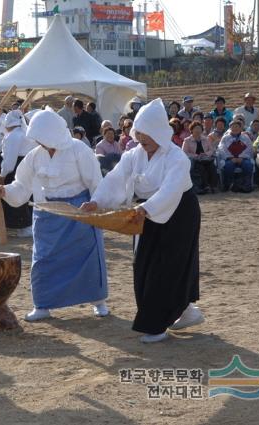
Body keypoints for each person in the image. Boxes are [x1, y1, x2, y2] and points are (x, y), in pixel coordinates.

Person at [82, 98, 203, 344]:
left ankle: (157, 324)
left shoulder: (176, 157)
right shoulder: (134, 154)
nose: (143, 145)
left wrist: (147, 208)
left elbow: (170, 190)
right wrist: (97, 201)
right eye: (140, 140)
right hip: (146, 212)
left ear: (159, 134)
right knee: (144, 265)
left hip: (178, 213)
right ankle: (187, 311)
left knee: (169, 266)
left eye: (147, 140)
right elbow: (116, 178)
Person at [0, 108, 109, 322]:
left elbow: (95, 181)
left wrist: (96, 203)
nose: (40, 142)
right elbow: (21, 186)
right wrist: (4, 190)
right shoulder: (34, 156)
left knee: (87, 257)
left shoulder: (78, 149)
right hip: (47, 212)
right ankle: (42, 304)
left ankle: (98, 301)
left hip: (79, 211)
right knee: (43, 260)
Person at [0, 110, 36, 237]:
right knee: (27, 195)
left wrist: (3, 174)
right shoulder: (26, 133)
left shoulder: (13, 136)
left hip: (16, 167)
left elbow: (10, 159)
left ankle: (23, 226)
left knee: (16, 195)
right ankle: (25, 225)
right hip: (28, 166)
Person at [218, 120, 254, 192]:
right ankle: (228, 185)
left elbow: (249, 148)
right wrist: (231, 157)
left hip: (243, 158)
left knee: (248, 165)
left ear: (241, 128)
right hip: (230, 159)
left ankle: (246, 185)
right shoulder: (225, 138)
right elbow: (221, 148)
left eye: (237, 126)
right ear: (230, 128)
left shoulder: (245, 137)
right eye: (233, 127)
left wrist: (241, 157)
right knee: (228, 166)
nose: (235, 128)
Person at [183, 122, 217, 194]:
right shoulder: (187, 140)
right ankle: (205, 186)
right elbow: (184, 152)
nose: (198, 130)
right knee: (200, 167)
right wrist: (195, 155)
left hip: (206, 159)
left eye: (199, 128)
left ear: (202, 130)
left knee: (212, 167)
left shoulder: (206, 139)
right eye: (196, 128)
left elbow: (211, 150)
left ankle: (213, 186)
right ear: (191, 130)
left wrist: (205, 154)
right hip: (195, 160)